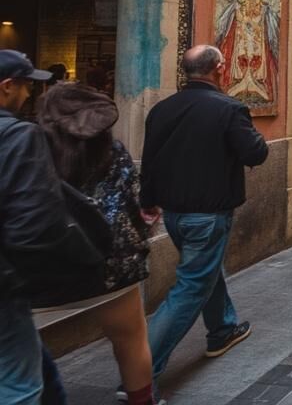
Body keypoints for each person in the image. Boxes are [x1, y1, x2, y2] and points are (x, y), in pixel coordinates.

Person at [140, 44, 268, 383]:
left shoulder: (162, 109)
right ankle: (139, 374)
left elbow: (149, 159)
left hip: (173, 214)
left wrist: (147, 200)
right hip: (208, 214)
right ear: (220, 68)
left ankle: (222, 329)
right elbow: (255, 153)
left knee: (206, 270)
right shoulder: (229, 108)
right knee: (191, 286)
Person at [36, 85, 157, 405]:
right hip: (110, 265)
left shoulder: (31, 151)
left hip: (44, 266)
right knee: (131, 340)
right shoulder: (113, 153)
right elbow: (135, 201)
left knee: (22, 346)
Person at [0, 50, 68, 405]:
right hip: (5, 288)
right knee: (20, 389)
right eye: (26, 85)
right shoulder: (19, 136)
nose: (29, 93)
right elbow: (34, 219)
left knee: (42, 373)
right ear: (7, 86)